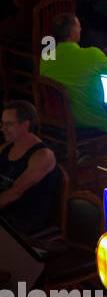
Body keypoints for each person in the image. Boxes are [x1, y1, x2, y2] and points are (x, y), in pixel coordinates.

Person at [38, 13, 107, 133]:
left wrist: (101, 54)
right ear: (72, 33)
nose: (81, 29)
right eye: (78, 26)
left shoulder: (46, 56)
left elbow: (70, 65)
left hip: (58, 118)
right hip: (91, 121)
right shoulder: (93, 55)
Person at [0, 101, 59, 236]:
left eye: (9, 124)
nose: (3, 129)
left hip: (25, 218)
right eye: (2, 124)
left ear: (25, 125)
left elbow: (16, 192)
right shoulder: (5, 148)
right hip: (7, 212)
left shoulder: (42, 155)